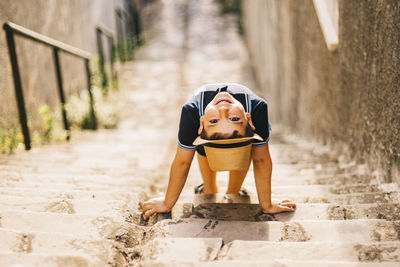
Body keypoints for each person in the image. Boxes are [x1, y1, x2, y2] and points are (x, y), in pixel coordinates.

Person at [141, 83, 296, 219]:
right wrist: (167, 203)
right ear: (200, 124)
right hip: (206, 140)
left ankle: (233, 192)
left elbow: (261, 159)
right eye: (214, 121)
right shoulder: (192, 113)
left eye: (235, 119)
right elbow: (182, 162)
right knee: (206, 143)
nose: (223, 109)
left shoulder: (258, 108)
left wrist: (266, 205)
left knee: (244, 145)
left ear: (249, 120)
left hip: (241, 139)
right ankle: (209, 189)